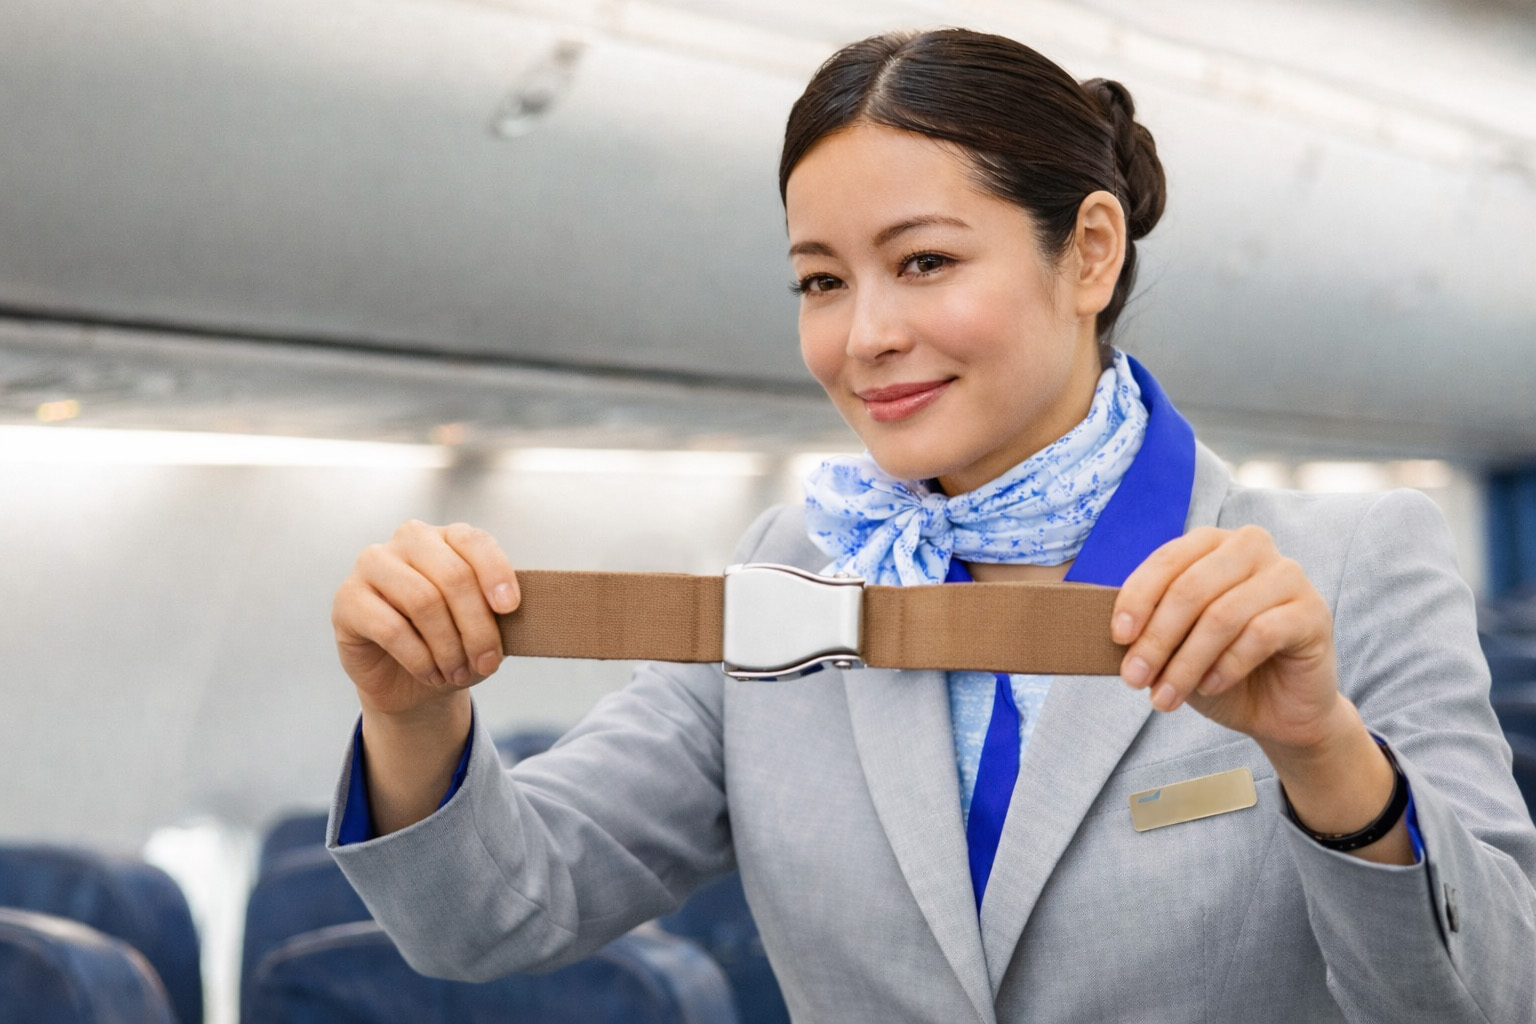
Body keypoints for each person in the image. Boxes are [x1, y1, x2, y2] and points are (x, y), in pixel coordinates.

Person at [325, 28, 1536, 1023]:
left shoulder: (1349, 565)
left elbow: (1491, 995)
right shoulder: (785, 578)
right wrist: (413, 715)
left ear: (1091, 253)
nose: (864, 338)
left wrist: (1323, 748)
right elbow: (495, 915)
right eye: (821, 281)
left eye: (923, 262)